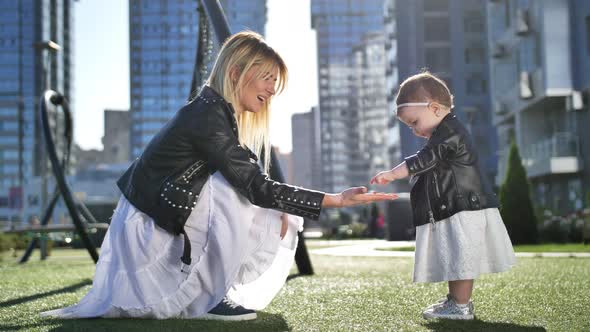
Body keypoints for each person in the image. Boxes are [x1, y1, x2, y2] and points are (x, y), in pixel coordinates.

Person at [41, 31, 397, 321]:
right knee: (234, 191)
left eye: (276, 82)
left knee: (270, 202)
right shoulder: (208, 115)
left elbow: (256, 184)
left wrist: (287, 208)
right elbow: (253, 185)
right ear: (236, 72)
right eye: (268, 78)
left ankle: (214, 290)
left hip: (164, 220)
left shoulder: (215, 113)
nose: (273, 89)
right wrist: (334, 199)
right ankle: (211, 296)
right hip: (148, 232)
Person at [371, 71, 515, 320]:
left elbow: (426, 159)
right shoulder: (444, 133)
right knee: (455, 256)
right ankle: (456, 301)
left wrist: (393, 174)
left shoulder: (450, 133)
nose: (414, 131)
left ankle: (461, 305)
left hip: (465, 206)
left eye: (414, 123)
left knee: (461, 258)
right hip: (456, 206)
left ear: (435, 108)